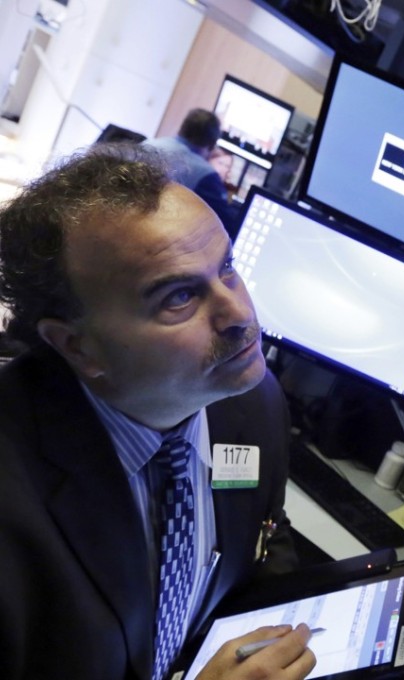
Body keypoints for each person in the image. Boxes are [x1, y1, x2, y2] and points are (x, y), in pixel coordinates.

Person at [0, 143, 316, 680]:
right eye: (178, 298)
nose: (240, 314)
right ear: (78, 347)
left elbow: (262, 537)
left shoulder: (251, 404)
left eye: (228, 269)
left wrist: (285, 632)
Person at [145, 108, 240, 237]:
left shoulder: (146, 145)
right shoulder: (205, 174)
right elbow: (227, 225)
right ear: (212, 145)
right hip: (158, 238)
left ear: (182, 129)